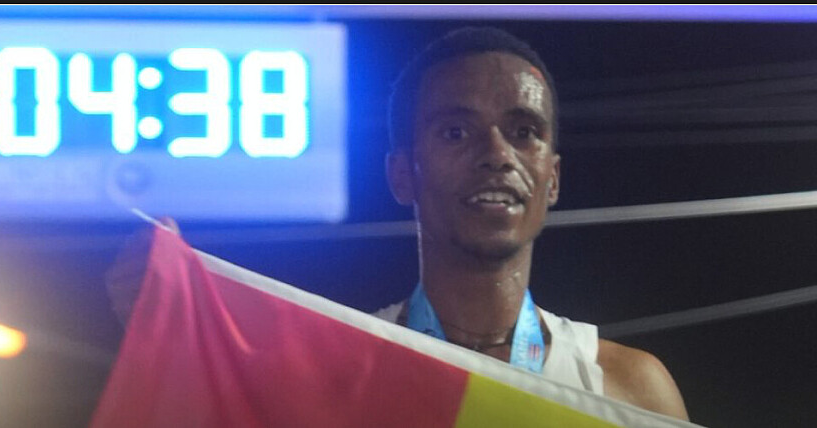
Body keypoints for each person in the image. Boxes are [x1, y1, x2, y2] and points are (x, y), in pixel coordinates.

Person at [107, 26, 689, 421]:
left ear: (552, 178)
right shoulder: (336, 376)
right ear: (401, 174)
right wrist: (172, 334)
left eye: (524, 132)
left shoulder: (629, 392)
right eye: (455, 132)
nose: (497, 154)